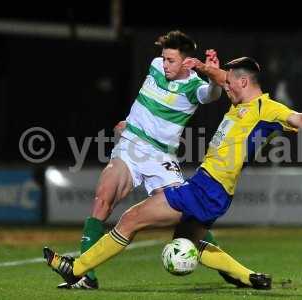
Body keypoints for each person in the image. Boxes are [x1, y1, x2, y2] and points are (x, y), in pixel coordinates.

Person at [44, 56, 302, 290]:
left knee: (131, 219)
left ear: (244, 82)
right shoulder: (239, 102)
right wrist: (206, 67)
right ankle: (246, 276)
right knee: (190, 240)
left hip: (207, 188)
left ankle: (78, 268)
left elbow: (298, 118)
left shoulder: (266, 109)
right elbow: (222, 76)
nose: (225, 86)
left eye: (230, 82)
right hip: (214, 191)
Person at [59, 30, 225, 289]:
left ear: (186, 62)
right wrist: (131, 122)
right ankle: (85, 276)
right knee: (104, 197)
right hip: (131, 147)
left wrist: (213, 76)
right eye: (164, 58)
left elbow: (213, 94)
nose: (165, 64)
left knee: (188, 215)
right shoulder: (156, 65)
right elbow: (145, 104)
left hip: (162, 156)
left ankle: (230, 270)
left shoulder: (194, 87)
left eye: (171, 60)